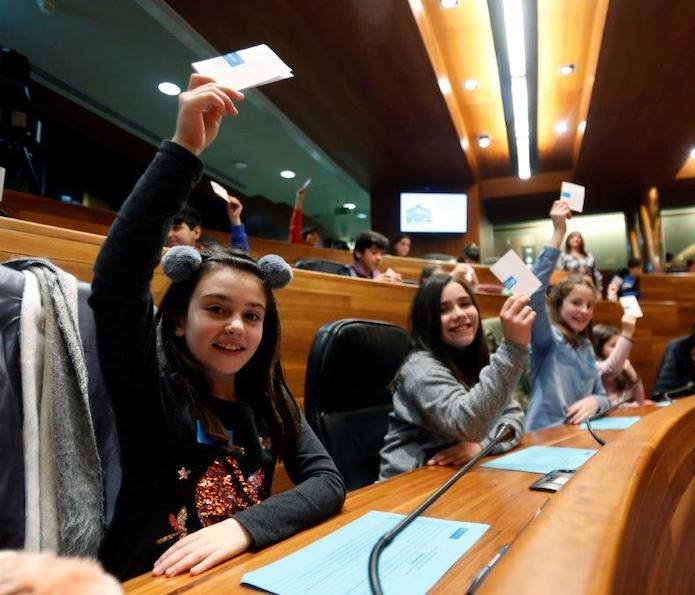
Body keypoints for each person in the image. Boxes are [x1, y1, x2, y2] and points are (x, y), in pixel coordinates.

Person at [89, 75, 345, 580]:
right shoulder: (151, 386)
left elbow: (327, 480)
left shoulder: (268, 394)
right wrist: (184, 149)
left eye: (253, 316)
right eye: (216, 309)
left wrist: (245, 527)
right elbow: (117, 284)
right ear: (180, 322)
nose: (237, 326)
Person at [379, 276, 530, 479]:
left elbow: (514, 418)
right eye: (443, 310)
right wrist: (513, 348)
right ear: (426, 320)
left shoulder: (475, 358)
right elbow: (467, 425)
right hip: (409, 483)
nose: (459, 314)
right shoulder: (418, 368)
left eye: (465, 304)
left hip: (459, 475)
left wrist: (481, 446)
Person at [526, 200, 610, 431]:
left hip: (578, 437)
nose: (584, 311)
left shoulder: (586, 346)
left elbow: (603, 396)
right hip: (542, 438)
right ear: (559, 304)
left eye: (589, 305)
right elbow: (532, 292)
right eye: (576, 302)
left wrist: (595, 402)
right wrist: (558, 232)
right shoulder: (547, 338)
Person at [592, 314, 646, 408]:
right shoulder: (596, 367)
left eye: (619, 345)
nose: (618, 349)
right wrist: (631, 406)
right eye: (613, 345)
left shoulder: (622, 368)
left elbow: (641, 401)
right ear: (598, 348)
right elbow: (611, 407)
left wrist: (633, 376)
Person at [167, 199, 250, 253]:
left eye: (176, 228)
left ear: (196, 232)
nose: (169, 234)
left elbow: (240, 256)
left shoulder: (210, 254)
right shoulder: (157, 250)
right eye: (166, 229)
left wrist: (235, 219)